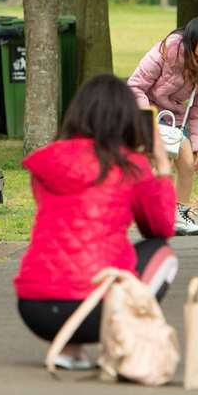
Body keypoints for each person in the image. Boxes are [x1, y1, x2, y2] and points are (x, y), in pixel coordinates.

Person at [14, 75, 179, 370]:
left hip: (33, 305)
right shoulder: (131, 166)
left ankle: (70, 348)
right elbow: (160, 227)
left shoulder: (48, 161)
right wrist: (162, 167)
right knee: (162, 253)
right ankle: (125, 341)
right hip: (96, 310)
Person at [127, 17, 198, 236]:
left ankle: (179, 216)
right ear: (190, 38)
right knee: (158, 165)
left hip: (172, 118)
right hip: (144, 111)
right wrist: (148, 125)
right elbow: (135, 86)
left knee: (187, 161)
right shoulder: (165, 51)